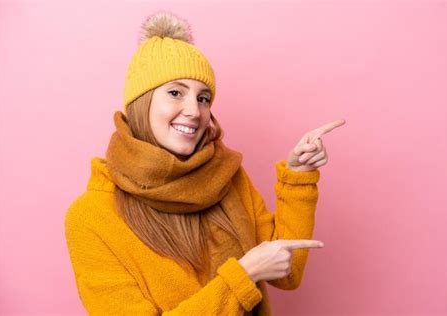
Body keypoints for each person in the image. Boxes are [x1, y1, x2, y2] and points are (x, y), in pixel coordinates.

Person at [64, 11, 345, 315]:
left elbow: (287, 274)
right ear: (140, 103)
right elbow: (251, 271)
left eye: (203, 98)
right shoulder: (91, 217)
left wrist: (298, 176)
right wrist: (244, 276)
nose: (195, 111)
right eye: (175, 93)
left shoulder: (226, 176)